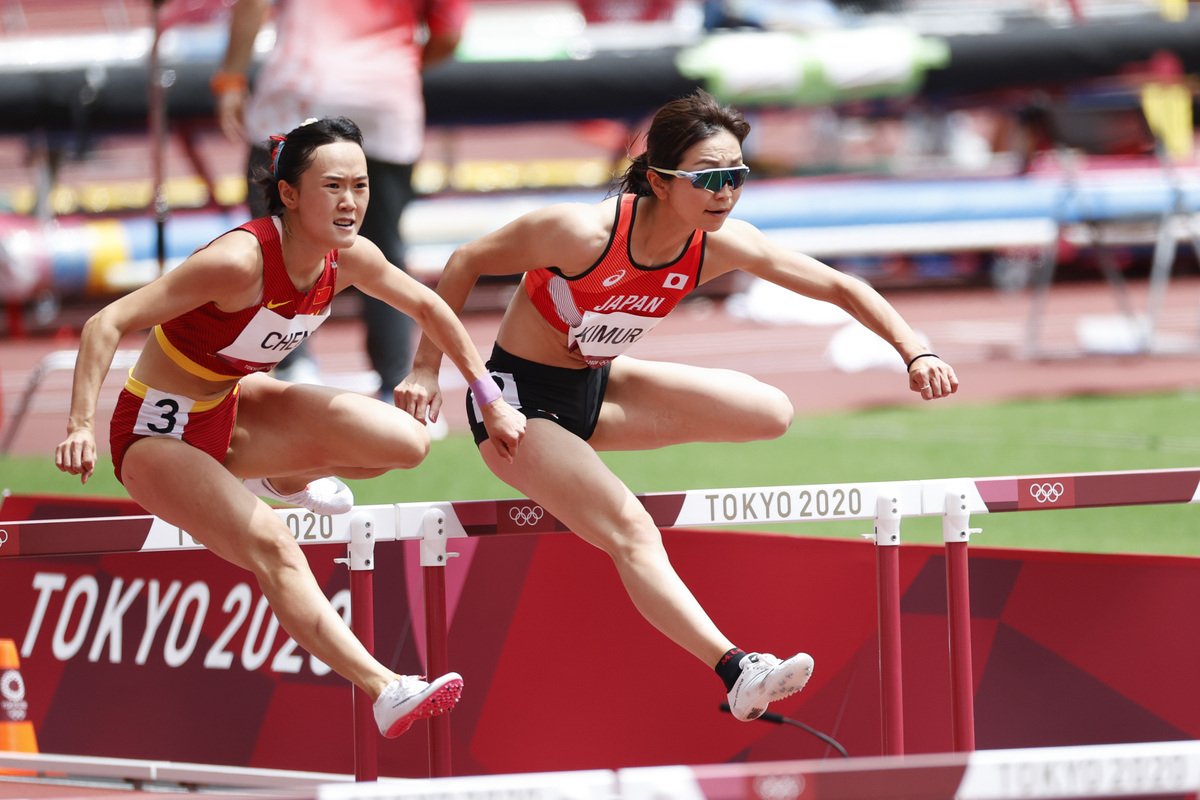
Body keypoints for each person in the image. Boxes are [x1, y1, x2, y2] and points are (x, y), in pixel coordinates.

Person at [398, 90, 959, 722]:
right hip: (519, 405)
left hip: (601, 387)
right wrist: (429, 369)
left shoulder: (717, 244)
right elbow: (464, 261)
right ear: (661, 181)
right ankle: (737, 669)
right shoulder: (581, 232)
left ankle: (574, 457)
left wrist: (915, 351)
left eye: (736, 176)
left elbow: (838, 285)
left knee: (771, 411)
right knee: (630, 528)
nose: (726, 192)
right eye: (709, 178)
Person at [54, 117, 525, 738]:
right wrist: (79, 426)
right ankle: (386, 688)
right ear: (289, 194)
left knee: (405, 441)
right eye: (333, 186)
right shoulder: (237, 262)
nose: (351, 201)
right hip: (155, 435)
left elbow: (429, 305)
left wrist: (484, 395)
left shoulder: (349, 258)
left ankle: (283, 475)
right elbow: (104, 324)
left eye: (359, 185)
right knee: (274, 545)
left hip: (233, 409)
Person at [211, 0, 467, 397]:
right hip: (383, 99)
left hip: (298, 92)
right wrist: (389, 65)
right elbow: (449, 35)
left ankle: (292, 366)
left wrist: (230, 79)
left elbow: (253, 4)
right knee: (382, 247)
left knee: (275, 243)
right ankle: (398, 380)